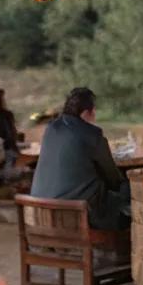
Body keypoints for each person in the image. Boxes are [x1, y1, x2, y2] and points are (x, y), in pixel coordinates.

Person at [31, 85, 131, 231]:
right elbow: (113, 179)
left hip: (41, 212)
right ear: (86, 113)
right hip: (77, 213)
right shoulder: (92, 134)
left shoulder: (51, 128)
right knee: (127, 189)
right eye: (94, 111)